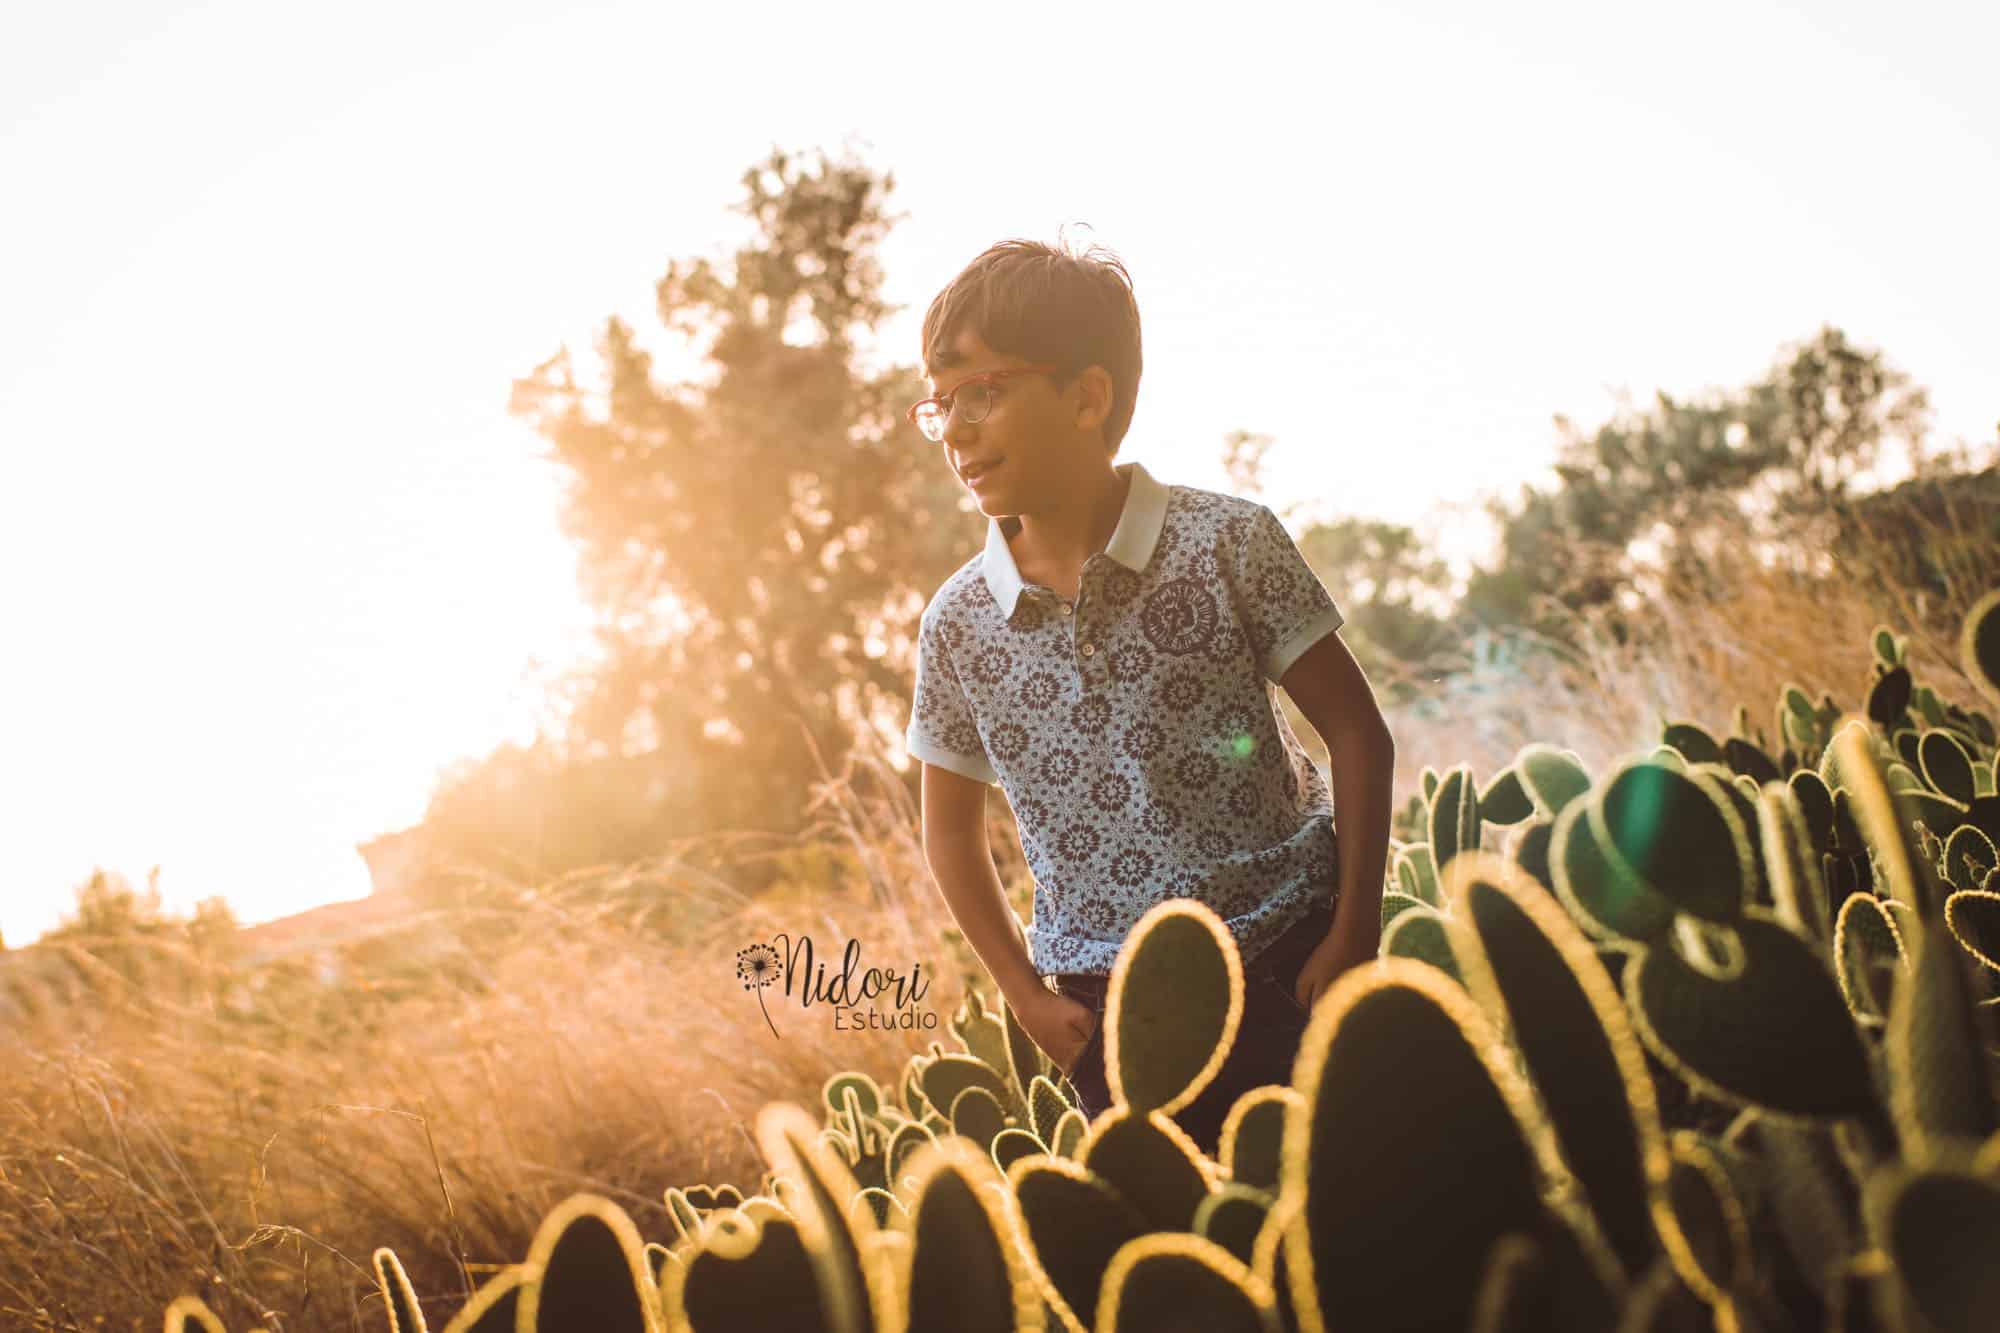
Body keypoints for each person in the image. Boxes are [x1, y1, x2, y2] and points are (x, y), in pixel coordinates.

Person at [902, 235, 1395, 1157]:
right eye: (940, 403)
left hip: (1294, 960)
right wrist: (1027, 997)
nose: (958, 429)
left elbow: (1358, 733)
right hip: (1109, 1013)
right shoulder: (958, 623)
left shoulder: (1229, 543)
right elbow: (949, 831)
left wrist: (1354, 928)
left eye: (985, 391)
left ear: (1087, 396)